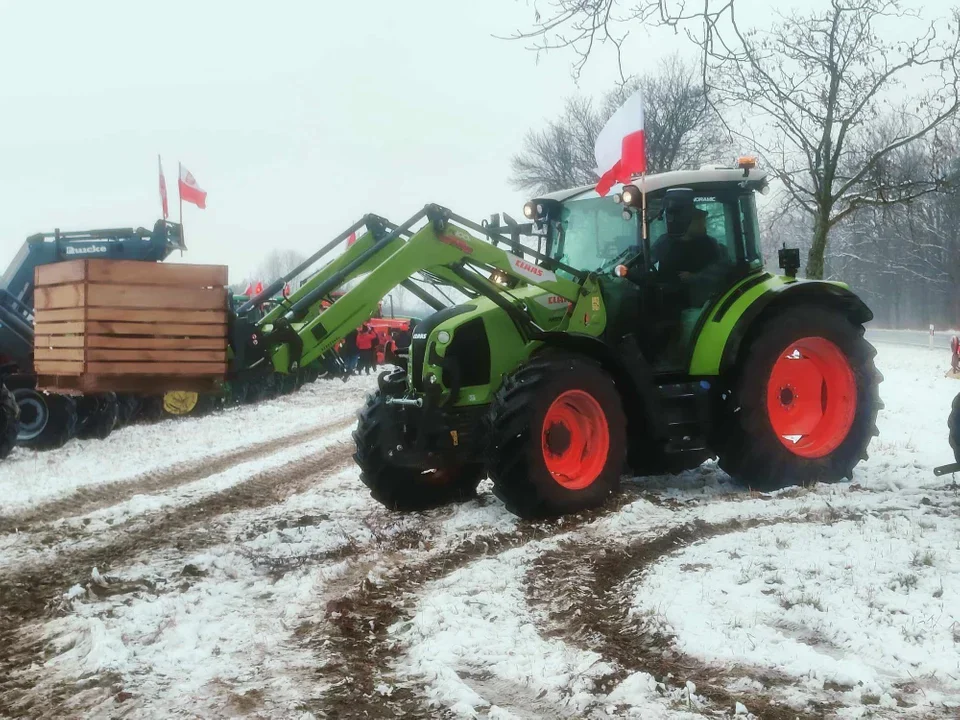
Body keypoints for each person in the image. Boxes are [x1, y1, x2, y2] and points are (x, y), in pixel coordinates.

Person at [650, 207, 730, 307]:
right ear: (687, 224)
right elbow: (649, 262)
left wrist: (696, 276)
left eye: (703, 222)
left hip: (703, 302)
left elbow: (723, 268)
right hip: (669, 301)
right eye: (700, 223)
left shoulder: (710, 244)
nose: (704, 226)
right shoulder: (665, 242)